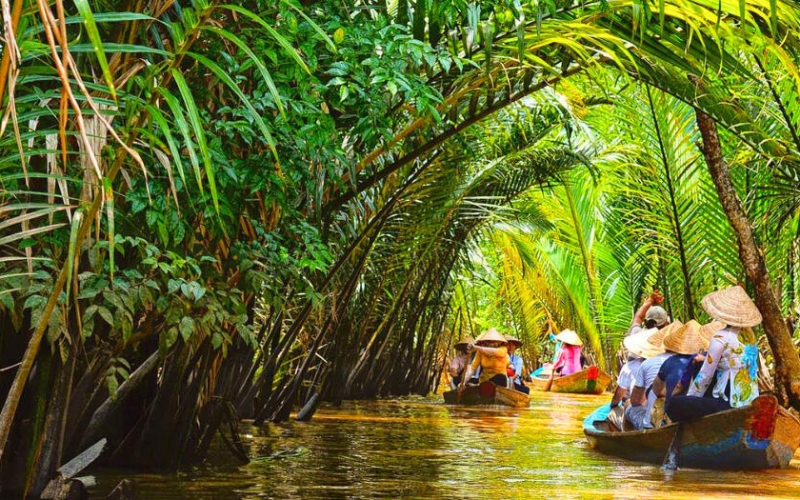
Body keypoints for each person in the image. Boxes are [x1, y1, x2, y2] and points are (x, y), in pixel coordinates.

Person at [668, 286, 762, 422]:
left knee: (674, 404)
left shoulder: (721, 337)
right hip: (750, 400)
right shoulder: (750, 337)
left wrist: (690, 399)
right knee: (698, 365)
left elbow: (705, 375)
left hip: (729, 404)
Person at [624, 321, 682, 430]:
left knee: (628, 404)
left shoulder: (648, 363)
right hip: (678, 421)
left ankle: (625, 438)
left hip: (651, 425)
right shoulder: (691, 362)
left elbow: (635, 401)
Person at [650, 320, 707, 425]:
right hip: (700, 412)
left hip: (677, 414)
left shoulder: (670, 361)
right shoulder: (707, 359)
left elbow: (657, 391)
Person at [607, 327, 663, 430]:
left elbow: (623, 397)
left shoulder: (634, 366)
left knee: (626, 405)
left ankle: (625, 435)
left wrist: (612, 406)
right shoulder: (671, 362)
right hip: (665, 416)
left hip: (649, 419)